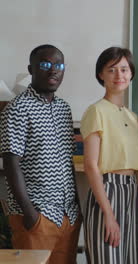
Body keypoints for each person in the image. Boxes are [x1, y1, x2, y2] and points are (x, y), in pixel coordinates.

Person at [0, 44, 81, 263]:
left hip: (68, 216)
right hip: (37, 216)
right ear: (31, 69)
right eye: (45, 64)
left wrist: (78, 208)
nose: (53, 70)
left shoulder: (64, 108)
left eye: (59, 65)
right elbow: (10, 163)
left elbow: (67, 161)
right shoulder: (17, 108)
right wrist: (30, 214)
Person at [80, 47, 138, 263]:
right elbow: (91, 166)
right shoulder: (96, 111)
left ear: (131, 74)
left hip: (132, 194)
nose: (119, 75)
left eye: (124, 69)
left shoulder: (133, 117)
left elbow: (136, 173)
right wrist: (109, 215)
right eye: (111, 70)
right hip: (107, 192)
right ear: (101, 74)